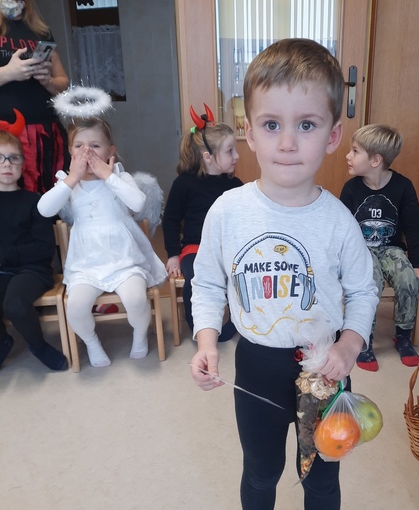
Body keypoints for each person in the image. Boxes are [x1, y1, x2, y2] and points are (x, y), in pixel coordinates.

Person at [189, 38, 378, 510]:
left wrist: (350, 345)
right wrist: (205, 340)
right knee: (260, 469)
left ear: (335, 135)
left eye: (307, 125)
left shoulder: (339, 221)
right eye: (272, 125)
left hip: (323, 369)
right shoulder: (227, 212)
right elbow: (208, 283)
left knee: (322, 475)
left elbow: (364, 291)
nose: (288, 142)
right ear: (248, 132)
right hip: (257, 365)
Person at [37, 116, 167, 368]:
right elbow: (44, 209)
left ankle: (140, 334)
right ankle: (92, 342)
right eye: (79, 146)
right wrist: (72, 178)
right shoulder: (67, 182)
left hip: (125, 260)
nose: (87, 152)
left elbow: (138, 203)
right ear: (70, 151)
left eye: (95, 146)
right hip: (86, 263)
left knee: (136, 300)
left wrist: (108, 175)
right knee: (76, 307)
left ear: (110, 151)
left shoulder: (120, 176)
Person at [340, 124, 419, 370]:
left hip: (392, 249)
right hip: (361, 251)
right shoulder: (351, 189)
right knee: (370, 284)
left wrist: (417, 264)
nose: (348, 156)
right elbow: (341, 230)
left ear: (375, 160)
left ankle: (403, 336)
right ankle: (364, 339)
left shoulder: (403, 186)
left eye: (355, 151)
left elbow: (414, 227)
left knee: (408, 280)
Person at [162, 111, 242, 340]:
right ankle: (200, 326)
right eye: (230, 151)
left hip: (228, 250)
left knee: (240, 276)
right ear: (208, 157)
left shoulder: (235, 185)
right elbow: (170, 220)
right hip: (195, 250)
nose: (236, 156)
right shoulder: (184, 184)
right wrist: (173, 256)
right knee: (196, 279)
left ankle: (237, 322)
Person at [0, 0, 70, 194]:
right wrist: (8, 73)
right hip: (7, 147)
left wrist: (48, 81)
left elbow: (63, 82)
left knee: (53, 209)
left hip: (49, 139)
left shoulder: (37, 27)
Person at [0, 110, 68, 371]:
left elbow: (43, 248)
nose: (7, 164)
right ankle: (3, 341)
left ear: (22, 164)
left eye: (13, 158)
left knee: (15, 304)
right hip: (2, 270)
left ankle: (38, 346)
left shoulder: (35, 202)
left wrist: (7, 254)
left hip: (32, 271)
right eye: (0, 158)